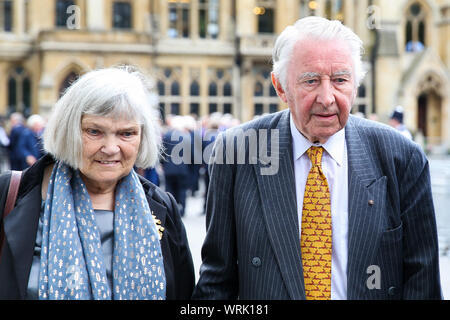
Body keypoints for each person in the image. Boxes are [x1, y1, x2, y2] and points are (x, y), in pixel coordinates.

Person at [193, 17, 441, 300]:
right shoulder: (236, 152)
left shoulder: (402, 157)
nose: (327, 97)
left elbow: (423, 282)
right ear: (280, 87)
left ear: (356, 85)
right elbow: (217, 281)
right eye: (311, 80)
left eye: (340, 80)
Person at [0, 67, 195, 300]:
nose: (111, 148)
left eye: (127, 134)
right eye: (94, 131)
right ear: (68, 130)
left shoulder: (162, 207)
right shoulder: (9, 194)